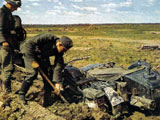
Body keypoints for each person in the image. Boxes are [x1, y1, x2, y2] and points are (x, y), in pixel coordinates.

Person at [18, 33, 73, 105]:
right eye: (64, 49)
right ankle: (21, 94)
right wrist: (32, 60)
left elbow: (58, 66)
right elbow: (29, 44)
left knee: (48, 74)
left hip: (42, 56)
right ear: (59, 44)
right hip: (29, 51)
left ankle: (46, 99)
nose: (65, 52)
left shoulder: (60, 52)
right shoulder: (48, 37)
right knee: (32, 73)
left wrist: (57, 82)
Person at [0, 0, 22, 93]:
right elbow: (0, 29)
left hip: (8, 42)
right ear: (11, 4)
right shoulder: (2, 12)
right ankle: (7, 91)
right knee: (7, 66)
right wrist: (4, 41)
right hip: (4, 44)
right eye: (16, 7)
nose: (16, 9)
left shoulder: (8, 13)